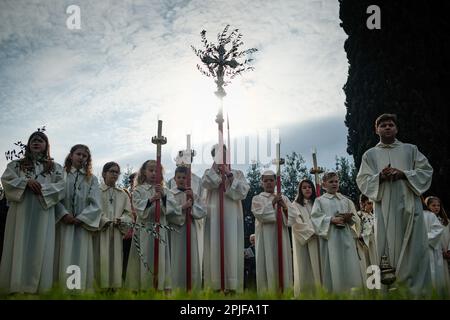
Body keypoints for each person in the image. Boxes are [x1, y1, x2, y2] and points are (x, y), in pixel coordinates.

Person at [356, 113, 433, 295]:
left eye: (391, 124)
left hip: (410, 206)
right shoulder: (370, 155)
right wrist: (380, 177)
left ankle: (418, 292)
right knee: (388, 248)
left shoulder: (410, 149)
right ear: (376, 130)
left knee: (414, 248)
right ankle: (392, 290)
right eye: (383, 125)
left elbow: (426, 171)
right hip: (384, 210)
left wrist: (404, 174)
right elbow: (363, 180)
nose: (387, 127)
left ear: (396, 129)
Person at [0, 131, 65, 294]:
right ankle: (16, 285)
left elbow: (62, 187)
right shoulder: (16, 165)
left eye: (41, 140)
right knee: (19, 243)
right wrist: (25, 182)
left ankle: (39, 288)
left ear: (46, 145)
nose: (37, 142)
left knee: (41, 244)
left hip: (43, 212)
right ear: (29, 144)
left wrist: (42, 188)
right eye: (33, 140)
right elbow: (6, 180)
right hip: (21, 212)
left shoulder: (55, 167)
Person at [125, 160, 180, 291]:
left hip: (160, 228)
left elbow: (173, 209)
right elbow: (139, 208)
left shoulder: (165, 190)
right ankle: (144, 287)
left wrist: (163, 196)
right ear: (144, 172)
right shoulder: (138, 190)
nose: (154, 173)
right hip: (145, 230)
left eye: (157, 171)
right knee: (145, 257)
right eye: (151, 170)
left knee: (160, 257)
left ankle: (161, 286)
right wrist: (151, 199)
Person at [202, 144, 250, 292]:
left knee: (232, 245)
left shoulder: (237, 173)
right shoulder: (208, 173)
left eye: (223, 154)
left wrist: (229, 175)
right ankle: (215, 285)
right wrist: (217, 168)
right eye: (217, 155)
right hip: (214, 216)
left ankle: (232, 285)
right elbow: (207, 183)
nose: (221, 157)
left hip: (231, 215)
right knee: (214, 245)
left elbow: (242, 192)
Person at [54, 144, 102, 292]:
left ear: (88, 159)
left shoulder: (92, 179)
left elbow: (96, 203)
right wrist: (63, 214)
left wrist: (81, 218)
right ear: (71, 155)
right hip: (64, 223)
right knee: (63, 254)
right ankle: (63, 289)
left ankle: (77, 289)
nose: (81, 157)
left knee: (80, 255)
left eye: (84, 155)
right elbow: (54, 198)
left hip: (82, 225)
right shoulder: (61, 174)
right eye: (78, 154)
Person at [311, 172, 363, 293]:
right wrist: (331, 220)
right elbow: (315, 218)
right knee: (333, 267)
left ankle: (353, 294)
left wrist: (349, 218)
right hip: (331, 240)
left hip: (347, 239)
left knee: (350, 266)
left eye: (336, 181)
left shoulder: (346, 200)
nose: (334, 184)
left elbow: (356, 220)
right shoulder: (320, 201)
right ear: (324, 185)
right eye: (331, 182)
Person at [251, 169, 297, 293]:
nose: (269, 183)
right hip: (265, 237)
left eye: (271, 180)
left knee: (282, 263)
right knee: (267, 264)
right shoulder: (257, 198)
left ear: (276, 182)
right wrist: (272, 202)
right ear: (262, 183)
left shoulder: (284, 198)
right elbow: (259, 214)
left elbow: (293, 218)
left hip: (281, 237)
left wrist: (285, 208)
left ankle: (285, 292)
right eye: (266, 181)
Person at [94, 162, 132, 290]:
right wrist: (104, 220)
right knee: (99, 259)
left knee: (115, 261)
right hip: (100, 232)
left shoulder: (123, 194)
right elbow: (92, 209)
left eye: (117, 172)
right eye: (112, 171)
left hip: (116, 234)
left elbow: (129, 214)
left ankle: (114, 289)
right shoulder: (96, 191)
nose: (115, 174)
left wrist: (122, 220)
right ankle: (99, 288)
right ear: (104, 173)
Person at [168, 165, 206, 291]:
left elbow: (202, 212)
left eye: (184, 177)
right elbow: (168, 213)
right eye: (179, 177)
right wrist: (183, 207)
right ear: (174, 178)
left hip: (191, 229)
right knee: (177, 259)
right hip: (176, 231)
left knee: (192, 259)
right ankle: (177, 288)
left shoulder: (193, 195)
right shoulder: (170, 194)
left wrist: (193, 204)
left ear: (188, 179)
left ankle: (193, 289)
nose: (181, 180)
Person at [291, 179, 321, 296]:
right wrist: (312, 232)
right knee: (306, 268)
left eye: (309, 187)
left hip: (319, 239)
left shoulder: (317, 203)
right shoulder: (295, 205)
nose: (307, 189)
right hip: (306, 240)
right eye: (304, 187)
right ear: (300, 190)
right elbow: (296, 223)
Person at [424, 196, 450, 295]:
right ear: (427, 206)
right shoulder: (426, 219)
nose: (436, 207)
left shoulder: (446, 221)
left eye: (438, 205)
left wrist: (448, 250)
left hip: (445, 254)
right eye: (433, 205)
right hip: (434, 253)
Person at [122, 172, 137, 279]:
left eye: (135, 180)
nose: (133, 183)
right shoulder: (126, 194)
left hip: (138, 231)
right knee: (125, 256)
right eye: (131, 181)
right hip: (127, 232)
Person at [357, 194, 377, 271]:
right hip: (365, 245)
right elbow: (357, 232)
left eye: (372, 203)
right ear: (362, 203)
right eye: (369, 203)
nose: (371, 206)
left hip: (374, 243)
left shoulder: (374, 216)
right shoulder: (359, 215)